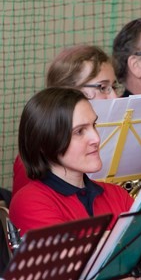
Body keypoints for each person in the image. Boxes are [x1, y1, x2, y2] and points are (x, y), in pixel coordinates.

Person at [9, 87, 141, 279]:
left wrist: (97, 247)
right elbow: (71, 273)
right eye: (79, 132)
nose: (96, 138)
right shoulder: (30, 201)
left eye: (94, 125)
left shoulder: (115, 193)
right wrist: (126, 248)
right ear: (45, 143)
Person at [12, 45, 123, 196]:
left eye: (114, 86)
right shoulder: (37, 156)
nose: (114, 97)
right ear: (70, 92)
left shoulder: (117, 135)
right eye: (103, 87)